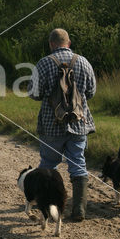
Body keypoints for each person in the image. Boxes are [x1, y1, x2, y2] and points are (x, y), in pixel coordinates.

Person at [28, 28, 96, 221]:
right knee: (78, 164)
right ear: (69, 42)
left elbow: (34, 93)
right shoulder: (83, 62)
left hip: (51, 125)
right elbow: (90, 92)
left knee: (49, 166)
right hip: (78, 123)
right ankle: (79, 210)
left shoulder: (44, 63)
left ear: (51, 44)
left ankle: (50, 208)